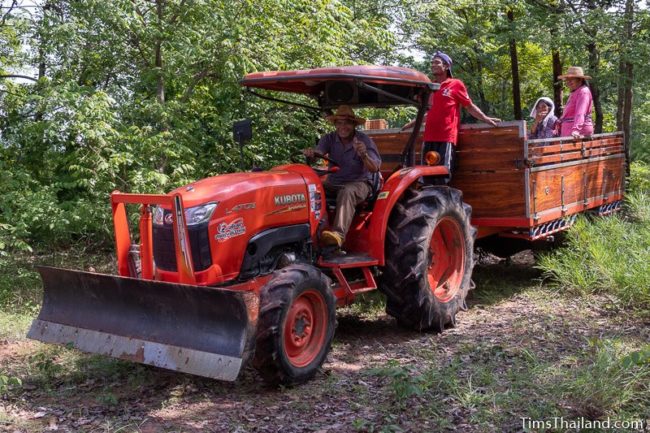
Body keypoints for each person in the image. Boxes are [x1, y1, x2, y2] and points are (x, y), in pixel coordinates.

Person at [401, 51, 500, 184]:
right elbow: (429, 112)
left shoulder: (455, 84)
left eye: (437, 62)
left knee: (442, 174)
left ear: (446, 66)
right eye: (432, 63)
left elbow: (469, 106)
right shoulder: (430, 87)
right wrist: (411, 124)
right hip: (429, 137)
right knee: (425, 175)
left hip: (445, 137)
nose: (433, 65)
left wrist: (485, 118)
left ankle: (442, 201)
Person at [303, 105, 381, 248]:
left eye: (347, 123)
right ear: (335, 124)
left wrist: (364, 155)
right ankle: (312, 231)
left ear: (353, 125)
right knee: (308, 189)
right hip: (334, 182)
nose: (343, 126)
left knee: (347, 191)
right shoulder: (329, 139)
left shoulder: (364, 141)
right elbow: (318, 153)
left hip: (360, 183)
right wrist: (311, 154)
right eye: (339, 123)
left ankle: (337, 235)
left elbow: (375, 168)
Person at [557, 66, 593, 138]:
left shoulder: (583, 91)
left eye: (572, 79)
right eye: (567, 79)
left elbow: (580, 112)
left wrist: (576, 130)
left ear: (580, 80)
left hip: (577, 132)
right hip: (568, 130)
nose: (568, 82)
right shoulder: (574, 92)